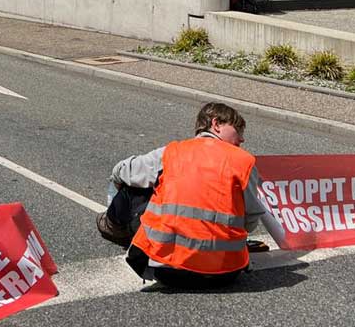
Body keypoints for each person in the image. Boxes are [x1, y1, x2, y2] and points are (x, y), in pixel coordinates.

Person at [96, 103, 286, 289]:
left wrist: (117, 187)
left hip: (169, 271)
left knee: (137, 186)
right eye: (238, 130)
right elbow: (250, 220)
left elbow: (123, 170)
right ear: (216, 124)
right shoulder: (243, 161)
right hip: (225, 274)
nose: (242, 139)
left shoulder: (172, 152)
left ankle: (115, 228)